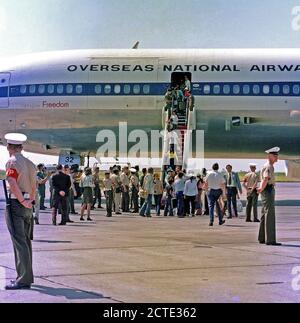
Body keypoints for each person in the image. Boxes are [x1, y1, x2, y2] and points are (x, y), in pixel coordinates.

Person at [4, 133, 36, 290]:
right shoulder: (30, 163)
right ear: (21, 147)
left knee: (19, 242)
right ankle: (26, 276)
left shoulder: (12, 162)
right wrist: (30, 201)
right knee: (25, 241)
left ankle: (23, 279)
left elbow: (11, 182)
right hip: (28, 205)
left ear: (10, 147)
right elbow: (35, 185)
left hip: (17, 203)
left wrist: (22, 201)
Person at [257, 147, 281, 246]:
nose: (277, 158)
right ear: (269, 156)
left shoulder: (267, 165)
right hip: (268, 190)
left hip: (265, 190)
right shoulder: (269, 166)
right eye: (275, 156)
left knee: (264, 213)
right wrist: (261, 188)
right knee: (270, 214)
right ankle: (270, 240)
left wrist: (260, 189)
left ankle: (262, 237)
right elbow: (266, 178)